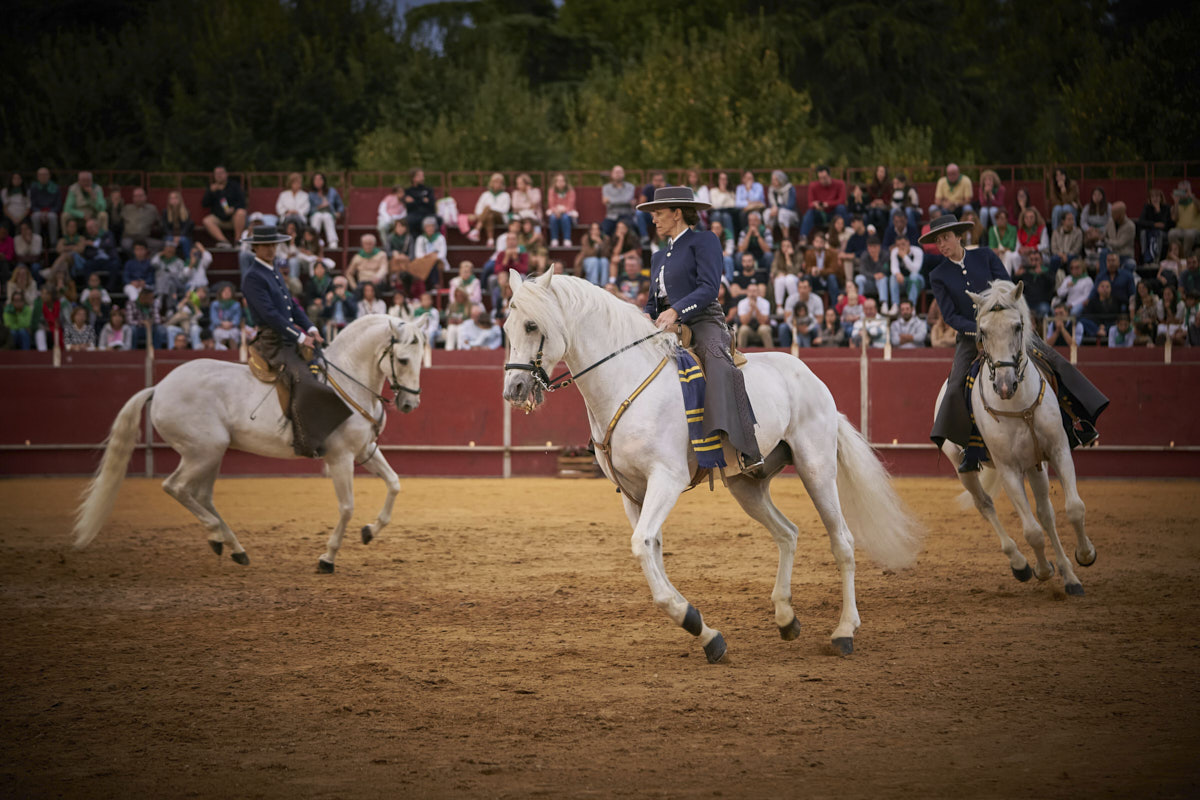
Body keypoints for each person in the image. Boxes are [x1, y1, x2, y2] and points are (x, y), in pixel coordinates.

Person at [926, 214, 1107, 471]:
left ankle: (1078, 422)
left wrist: (1003, 322)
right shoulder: (938, 274)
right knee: (955, 385)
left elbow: (1010, 289)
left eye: (945, 238)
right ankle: (968, 447)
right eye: (937, 241)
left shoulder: (986, 255)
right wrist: (980, 330)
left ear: (959, 236)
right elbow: (950, 316)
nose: (941, 244)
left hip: (1008, 331)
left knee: (1055, 361)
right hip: (971, 337)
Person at [640, 186, 763, 472]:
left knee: (717, 361)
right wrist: (645, 315)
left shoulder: (704, 241)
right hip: (666, 325)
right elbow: (652, 302)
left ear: (677, 213)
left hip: (703, 321)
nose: (653, 219)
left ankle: (746, 448)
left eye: (658, 213)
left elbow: (709, 288)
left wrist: (676, 311)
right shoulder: (658, 256)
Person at [241, 225, 351, 458]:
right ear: (255, 248)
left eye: (273, 245)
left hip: (288, 337)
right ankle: (304, 438)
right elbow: (270, 314)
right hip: (272, 342)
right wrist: (300, 336)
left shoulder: (273, 270)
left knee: (323, 367)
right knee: (302, 378)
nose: (271, 249)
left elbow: (292, 305)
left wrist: (311, 327)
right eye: (265, 246)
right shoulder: (253, 277)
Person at [201, 166, 248, 248]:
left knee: (241, 212)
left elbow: (243, 202)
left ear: (226, 174)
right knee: (207, 220)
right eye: (216, 174)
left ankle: (238, 241)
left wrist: (233, 209)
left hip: (234, 218)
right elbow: (204, 204)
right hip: (219, 218)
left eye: (221, 173)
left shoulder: (234, 186)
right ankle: (224, 242)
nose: (219, 175)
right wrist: (210, 192)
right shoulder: (211, 188)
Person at [801, 166, 847, 240]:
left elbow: (842, 201)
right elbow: (810, 204)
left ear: (829, 176)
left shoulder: (840, 184)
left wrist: (827, 204)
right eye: (820, 178)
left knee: (841, 208)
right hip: (821, 214)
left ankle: (844, 235)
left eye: (824, 178)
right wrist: (815, 205)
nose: (822, 180)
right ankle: (803, 238)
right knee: (810, 212)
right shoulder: (813, 185)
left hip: (834, 214)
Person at [468, 173, 510, 246]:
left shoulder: (505, 195)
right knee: (489, 216)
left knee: (488, 208)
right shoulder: (485, 194)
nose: (498, 184)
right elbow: (478, 209)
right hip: (487, 217)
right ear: (491, 183)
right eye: (495, 182)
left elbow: (504, 210)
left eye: (500, 182)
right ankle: (490, 240)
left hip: (500, 217)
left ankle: (476, 230)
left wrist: (491, 208)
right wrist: (484, 213)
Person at [1014, 250, 1054, 321]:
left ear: (1041, 260)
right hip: (1026, 303)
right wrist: (1016, 276)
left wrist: (1043, 274)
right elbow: (1014, 288)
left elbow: (1051, 286)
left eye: (1036, 259)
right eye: (1031, 259)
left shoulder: (1047, 271)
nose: (1034, 262)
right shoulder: (1024, 272)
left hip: (1041, 303)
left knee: (1044, 309)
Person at [308, 172, 344, 249]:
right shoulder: (311, 194)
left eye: (320, 179)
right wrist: (319, 207)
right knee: (318, 216)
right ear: (313, 182)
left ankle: (333, 242)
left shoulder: (332, 191)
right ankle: (315, 241)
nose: (318, 181)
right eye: (316, 180)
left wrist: (339, 212)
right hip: (316, 214)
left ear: (324, 181)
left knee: (326, 216)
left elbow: (340, 205)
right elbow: (309, 210)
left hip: (330, 214)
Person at [120, 187, 161, 253]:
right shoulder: (127, 208)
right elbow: (116, 220)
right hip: (130, 238)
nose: (138, 198)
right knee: (126, 245)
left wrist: (156, 228)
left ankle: (148, 258)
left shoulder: (152, 209)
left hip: (144, 238)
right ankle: (135, 259)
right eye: (135, 196)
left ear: (145, 197)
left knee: (161, 245)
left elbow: (160, 223)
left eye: (140, 196)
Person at [1137, 188, 1172, 265]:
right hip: (1149, 232)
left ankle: (1155, 259)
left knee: (1157, 234)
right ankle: (1145, 258)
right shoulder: (1147, 207)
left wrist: (1158, 210)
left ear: (1161, 198)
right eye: (1152, 197)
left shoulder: (1166, 208)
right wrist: (1154, 224)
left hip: (1163, 233)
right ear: (1149, 199)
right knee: (1143, 233)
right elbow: (1141, 221)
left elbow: (1164, 225)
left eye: (1157, 196)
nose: (1155, 199)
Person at [889, 235, 924, 312]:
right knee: (893, 277)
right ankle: (895, 305)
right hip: (903, 281)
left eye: (903, 244)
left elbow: (915, 269)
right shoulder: (895, 251)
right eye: (898, 245)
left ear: (908, 243)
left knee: (913, 276)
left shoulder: (917, 251)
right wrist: (897, 274)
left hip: (918, 281)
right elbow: (893, 267)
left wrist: (904, 256)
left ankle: (912, 306)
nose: (901, 247)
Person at [601, 165, 636, 237]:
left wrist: (610, 200)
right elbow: (626, 200)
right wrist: (626, 201)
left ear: (624, 174)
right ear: (612, 174)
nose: (618, 174)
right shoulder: (606, 188)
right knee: (604, 231)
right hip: (611, 216)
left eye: (620, 172)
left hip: (627, 215)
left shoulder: (630, 186)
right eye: (616, 172)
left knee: (633, 230)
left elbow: (627, 199)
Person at [29, 168, 60, 247]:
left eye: (45, 175)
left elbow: (58, 205)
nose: (43, 177)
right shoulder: (34, 188)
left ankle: (53, 243)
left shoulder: (55, 187)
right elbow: (32, 204)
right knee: (35, 217)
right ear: (38, 177)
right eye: (41, 175)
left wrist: (49, 211)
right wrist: (40, 212)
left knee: (52, 217)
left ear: (49, 176)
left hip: (51, 211)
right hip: (38, 211)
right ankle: (36, 243)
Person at [735, 283, 773, 348]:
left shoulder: (765, 302)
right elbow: (744, 322)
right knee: (743, 329)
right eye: (750, 291)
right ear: (747, 292)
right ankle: (740, 352)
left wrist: (755, 307)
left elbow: (763, 321)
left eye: (754, 291)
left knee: (764, 328)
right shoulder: (742, 303)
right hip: (749, 329)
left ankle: (771, 352)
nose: (752, 293)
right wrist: (751, 310)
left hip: (760, 329)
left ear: (758, 292)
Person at [764, 170, 798, 242]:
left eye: (775, 179)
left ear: (781, 179)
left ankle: (786, 240)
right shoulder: (771, 190)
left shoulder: (790, 188)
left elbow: (790, 205)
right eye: (772, 179)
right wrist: (774, 209)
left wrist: (777, 209)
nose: (773, 182)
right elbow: (771, 205)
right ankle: (769, 241)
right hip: (776, 214)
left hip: (790, 214)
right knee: (767, 213)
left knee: (782, 213)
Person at [1168, 181, 1199, 258]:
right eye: (1181, 191)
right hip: (1180, 229)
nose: (1183, 193)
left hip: (1194, 230)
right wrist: (1176, 203)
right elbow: (1174, 219)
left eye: (1185, 191)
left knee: (1189, 234)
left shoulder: (1195, 202)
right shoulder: (1177, 204)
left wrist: (1191, 196)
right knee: (1171, 233)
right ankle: (1176, 254)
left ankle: (1185, 257)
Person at [402, 168, 436, 237]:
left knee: (436, 220)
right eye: (420, 176)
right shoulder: (408, 191)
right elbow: (409, 206)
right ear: (413, 178)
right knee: (408, 221)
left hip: (427, 214)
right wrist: (423, 200)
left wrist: (415, 201)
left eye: (423, 176)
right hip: (413, 215)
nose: (422, 178)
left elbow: (431, 204)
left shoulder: (428, 190)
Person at [546, 173, 577, 247]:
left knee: (565, 217)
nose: (560, 182)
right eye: (558, 181)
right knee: (553, 217)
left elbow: (570, 205)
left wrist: (561, 211)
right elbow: (551, 204)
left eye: (562, 181)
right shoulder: (551, 191)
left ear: (566, 182)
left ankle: (567, 239)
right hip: (555, 212)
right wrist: (556, 211)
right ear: (555, 182)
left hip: (568, 213)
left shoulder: (571, 191)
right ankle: (554, 239)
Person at [161, 190, 194, 259]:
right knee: (169, 239)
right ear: (169, 200)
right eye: (171, 198)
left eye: (175, 198)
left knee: (184, 240)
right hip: (170, 235)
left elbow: (187, 227)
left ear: (180, 200)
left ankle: (188, 261)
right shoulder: (165, 212)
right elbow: (165, 227)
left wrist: (179, 236)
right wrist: (173, 236)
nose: (173, 200)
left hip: (183, 236)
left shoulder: (186, 212)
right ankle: (167, 261)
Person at [1104, 202, 1137, 271]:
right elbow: (1104, 235)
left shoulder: (1130, 226)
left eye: (1114, 213)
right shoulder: (1110, 222)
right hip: (1111, 253)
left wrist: (1105, 240)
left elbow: (1119, 244)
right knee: (1103, 253)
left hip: (1124, 255)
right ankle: (1104, 276)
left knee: (1131, 264)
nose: (1111, 215)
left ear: (1120, 214)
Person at [1048, 167, 1080, 231]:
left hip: (1072, 209)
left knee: (1066, 207)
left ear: (1065, 176)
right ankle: (1055, 232)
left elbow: (1071, 198)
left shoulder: (1073, 184)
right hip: (1059, 208)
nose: (1059, 177)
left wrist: (1063, 189)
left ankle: (1073, 232)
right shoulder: (1053, 186)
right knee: (1057, 209)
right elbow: (1054, 201)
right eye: (1057, 176)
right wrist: (1070, 202)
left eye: (1061, 175)